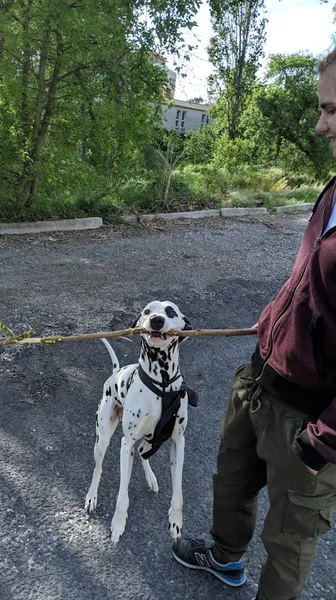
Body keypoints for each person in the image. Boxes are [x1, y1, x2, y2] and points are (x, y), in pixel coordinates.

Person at [172, 48, 336, 600]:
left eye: (334, 111)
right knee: (232, 482)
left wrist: (321, 443)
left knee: (289, 540)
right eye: (323, 108)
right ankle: (224, 559)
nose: (320, 125)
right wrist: (272, 323)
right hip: (260, 378)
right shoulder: (335, 189)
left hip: (309, 416)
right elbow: (308, 284)